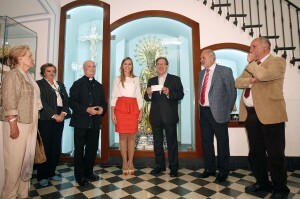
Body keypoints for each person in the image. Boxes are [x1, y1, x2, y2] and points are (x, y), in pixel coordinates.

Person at [235, 37, 290, 198]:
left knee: (275, 154)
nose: (250, 49)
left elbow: (265, 76)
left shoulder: (277, 61)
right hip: (251, 114)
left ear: (265, 47)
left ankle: (280, 189)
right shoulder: (252, 67)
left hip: (271, 114)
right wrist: (252, 80)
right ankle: (262, 183)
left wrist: (252, 65)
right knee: (256, 153)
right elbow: (238, 82)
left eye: (254, 46)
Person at [1, 45, 42, 198]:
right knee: (14, 164)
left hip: (30, 123)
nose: (33, 58)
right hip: (17, 124)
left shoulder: (28, 76)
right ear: (20, 58)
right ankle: (9, 195)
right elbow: (9, 102)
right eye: (30, 56)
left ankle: (22, 194)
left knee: (26, 161)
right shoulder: (13, 75)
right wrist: (13, 126)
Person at [198, 49, 236, 183]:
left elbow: (232, 92)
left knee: (222, 142)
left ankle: (224, 171)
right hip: (203, 111)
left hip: (219, 112)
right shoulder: (201, 73)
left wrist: (227, 110)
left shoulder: (225, 71)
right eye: (201, 58)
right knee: (206, 142)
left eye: (203, 58)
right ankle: (210, 169)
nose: (201, 60)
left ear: (211, 57)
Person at [144, 57, 184, 177]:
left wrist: (169, 93)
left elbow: (181, 94)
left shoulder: (175, 79)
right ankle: (159, 166)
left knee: (172, 143)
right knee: (157, 143)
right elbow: (147, 98)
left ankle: (173, 167)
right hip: (156, 117)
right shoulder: (151, 80)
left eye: (163, 64)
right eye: (158, 64)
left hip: (170, 116)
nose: (160, 66)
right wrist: (148, 94)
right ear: (156, 66)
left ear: (167, 66)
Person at [69, 60, 107, 186]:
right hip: (81, 122)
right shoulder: (77, 84)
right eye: (89, 66)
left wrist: (102, 109)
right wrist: (86, 109)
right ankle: (79, 176)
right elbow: (72, 102)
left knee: (92, 149)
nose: (91, 68)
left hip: (95, 123)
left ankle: (88, 172)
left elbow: (103, 102)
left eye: (93, 66)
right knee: (79, 150)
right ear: (84, 69)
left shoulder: (99, 85)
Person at [36, 63, 70, 187]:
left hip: (60, 117)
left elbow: (66, 100)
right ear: (43, 72)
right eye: (48, 71)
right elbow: (42, 102)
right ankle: (42, 176)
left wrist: (63, 113)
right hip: (46, 119)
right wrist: (54, 115)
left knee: (55, 145)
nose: (51, 73)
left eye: (53, 71)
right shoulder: (39, 84)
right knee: (45, 147)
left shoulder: (59, 84)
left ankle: (51, 172)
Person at [111, 57, 143, 175]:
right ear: (122, 65)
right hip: (120, 108)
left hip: (133, 108)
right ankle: (124, 162)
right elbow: (114, 95)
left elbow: (139, 95)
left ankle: (131, 162)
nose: (127, 66)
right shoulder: (118, 79)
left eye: (130, 64)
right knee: (123, 137)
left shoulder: (136, 79)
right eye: (125, 64)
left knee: (132, 137)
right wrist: (112, 112)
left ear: (132, 66)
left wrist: (141, 111)